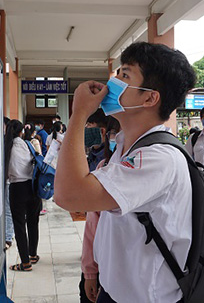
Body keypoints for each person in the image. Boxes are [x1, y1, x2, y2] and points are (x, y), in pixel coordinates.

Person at [54, 42, 196, 302]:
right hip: (115, 290)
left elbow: (69, 196)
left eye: (125, 75)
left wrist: (79, 114)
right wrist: (92, 271)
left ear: (150, 97)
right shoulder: (125, 146)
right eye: (118, 73)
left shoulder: (158, 158)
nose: (112, 82)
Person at [80, 117, 120, 303]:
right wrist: (89, 272)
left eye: (91, 126)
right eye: (115, 134)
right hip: (106, 267)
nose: (119, 139)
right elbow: (92, 225)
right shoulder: (103, 167)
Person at [5, 119, 42, 271]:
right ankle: (33, 254)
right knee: (33, 222)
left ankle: (25, 262)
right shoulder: (27, 144)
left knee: (19, 225)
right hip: (32, 187)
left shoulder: (6, 148)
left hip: (16, 188)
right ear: (21, 132)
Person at [3, 117, 15, 249]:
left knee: (8, 209)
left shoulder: (12, 144)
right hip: (6, 180)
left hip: (9, 181)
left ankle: (7, 237)